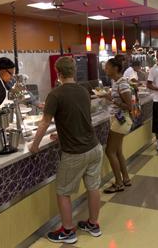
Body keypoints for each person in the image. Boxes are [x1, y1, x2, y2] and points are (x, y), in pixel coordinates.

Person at [28, 57, 104, 244]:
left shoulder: (56, 94)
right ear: (74, 71)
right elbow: (78, 118)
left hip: (75, 153)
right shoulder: (83, 91)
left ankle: (68, 231)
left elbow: (45, 122)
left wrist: (35, 145)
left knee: (63, 191)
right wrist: (61, 135)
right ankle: (93, 224)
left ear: (58, 73)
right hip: (94, 147)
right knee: (93, 187)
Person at [100, 58, 133, 193]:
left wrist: (111, 99)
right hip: (117, 120)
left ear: (115, 68)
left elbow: (129, 106)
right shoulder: (116, 82)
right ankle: (126, 179)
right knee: (118, 152)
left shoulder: (123, 84)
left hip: (121, 121)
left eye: (107, 67)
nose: (105, 70)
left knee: (109, 151)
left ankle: (118, 183)